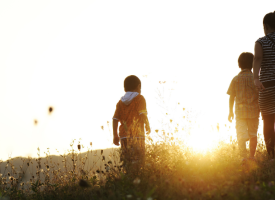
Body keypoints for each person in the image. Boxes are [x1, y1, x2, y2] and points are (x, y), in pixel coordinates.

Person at [227, 52, 259, 161]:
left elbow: (231, 97)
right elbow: (260, 95)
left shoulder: (235, 79)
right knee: (253, 135)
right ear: (253, 65)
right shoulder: (256, 79)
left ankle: (243, 158)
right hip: (254, 112)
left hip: (240, 114)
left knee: (241, 135)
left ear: (239, 64)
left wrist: (230, 111)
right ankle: (252, 157)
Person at [112, 75, 151, 164]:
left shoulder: (120, 102)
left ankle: (128, 177)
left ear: (125, 88)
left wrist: (115, 135)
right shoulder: (139, 99)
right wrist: (147, 125)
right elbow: (143, 114)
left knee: (127, 162)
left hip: (124, 136)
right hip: (137, 136)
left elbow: (115, 119)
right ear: (138, 86)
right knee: (139, 162)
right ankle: (138, 177)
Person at [253, 11, 275, 159]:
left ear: (265, 26)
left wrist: (256, 78)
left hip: (267, 86)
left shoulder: (261, 42)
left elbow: (258, 59)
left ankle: (272, 154)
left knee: (268, 120)